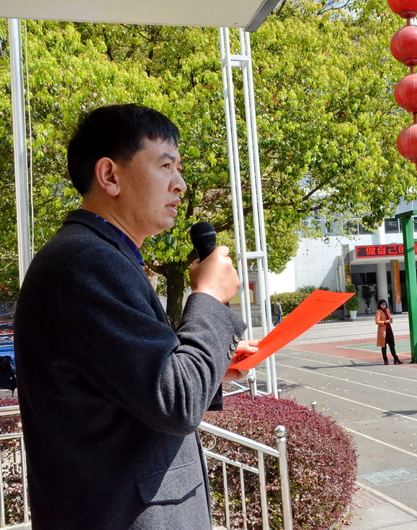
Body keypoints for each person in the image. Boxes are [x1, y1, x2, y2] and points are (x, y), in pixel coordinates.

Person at [14, 104, 254, 529]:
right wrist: (210, 297)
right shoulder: (87, 263)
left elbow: (131, 386)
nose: (180, 184)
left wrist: (210, 366)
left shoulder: (100, 257)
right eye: (165, 165)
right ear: (110, 175)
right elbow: (174, 401)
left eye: (179, 168)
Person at [375, 299, 402, 365]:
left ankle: (396, 359)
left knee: (392, 345)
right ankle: (385, 360)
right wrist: (384, 322)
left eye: (385, 304)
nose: (384, 305)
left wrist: (391, 320)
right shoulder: (378, 312)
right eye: (382, 304)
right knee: (383, 346)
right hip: (383, 330)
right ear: (379, 305)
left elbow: (390, 319)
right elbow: (377, 321)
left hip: (389, 329)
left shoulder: (388, 310)